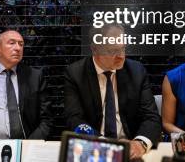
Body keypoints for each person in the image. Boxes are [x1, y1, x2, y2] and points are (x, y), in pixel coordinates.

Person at [64, 24, 161, 160]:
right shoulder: (76, 73)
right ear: (95, 49)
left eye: (123, 48)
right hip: (95, 150)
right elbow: (74, 119)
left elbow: (151, 117)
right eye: (112, 51)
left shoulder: (136, 71)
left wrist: (139, 144)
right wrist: (104, 144)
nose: (121, 56)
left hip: (130, 151)